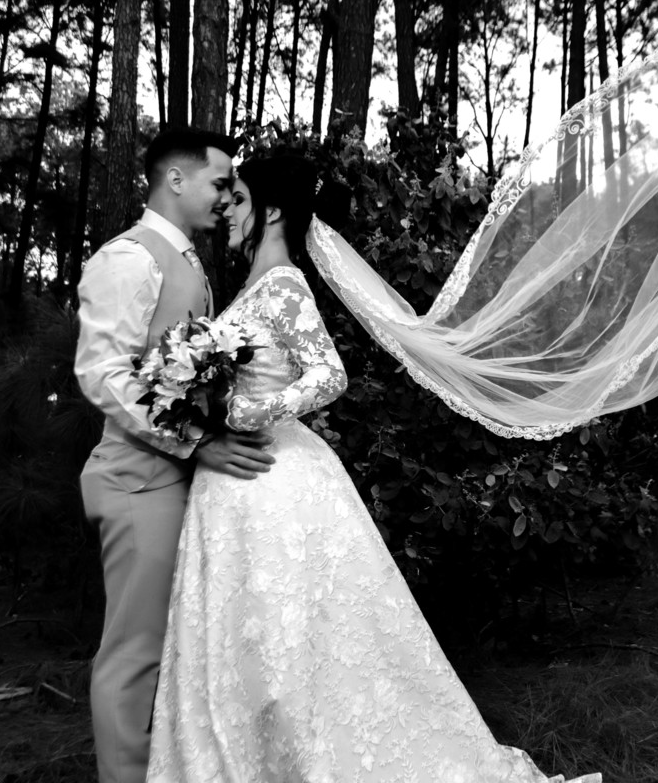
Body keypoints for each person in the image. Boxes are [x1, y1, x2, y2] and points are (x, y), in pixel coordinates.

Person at [145, 154, 599, 783]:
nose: (226, 209)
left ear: (272, 211)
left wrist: (248, 410)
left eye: (239, 199)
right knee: (245, 640)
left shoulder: (282, 285)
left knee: (281, 641)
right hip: (238, 489)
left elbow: (329, 375)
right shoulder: (255, 288)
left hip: (273, 479)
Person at [76, 127, 278, 783]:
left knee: (177, 651)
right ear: (175, 179)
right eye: (219, 183)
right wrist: (197, 442)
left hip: (176, 484)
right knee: (135, 656)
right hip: (138, 484)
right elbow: (102, 373)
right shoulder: (130, 258)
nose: (225, 197)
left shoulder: (188, 262)